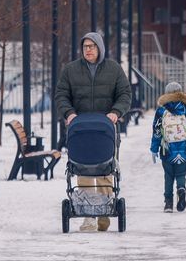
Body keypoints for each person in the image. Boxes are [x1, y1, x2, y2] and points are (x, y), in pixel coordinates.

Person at [55, 32, 131, 232]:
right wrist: (69, 113)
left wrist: (116, 112)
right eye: (85, 46)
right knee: (83, 170)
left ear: (100, 48)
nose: (88, 49)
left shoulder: (113, 69)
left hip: (106, 130)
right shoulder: (71, 70)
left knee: (106, 170)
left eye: (92, 46)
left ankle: (105, 210)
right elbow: (61, 94)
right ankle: (88, 215)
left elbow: (125, 93)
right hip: (81, 131)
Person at [149, 81, 186, 213]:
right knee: (181, 174)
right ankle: (181, 189)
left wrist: (154, 149)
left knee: (168, 175)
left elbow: (157, 131)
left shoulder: (161, 110)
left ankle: (168, 203)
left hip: (167, 149)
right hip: (184, 148)